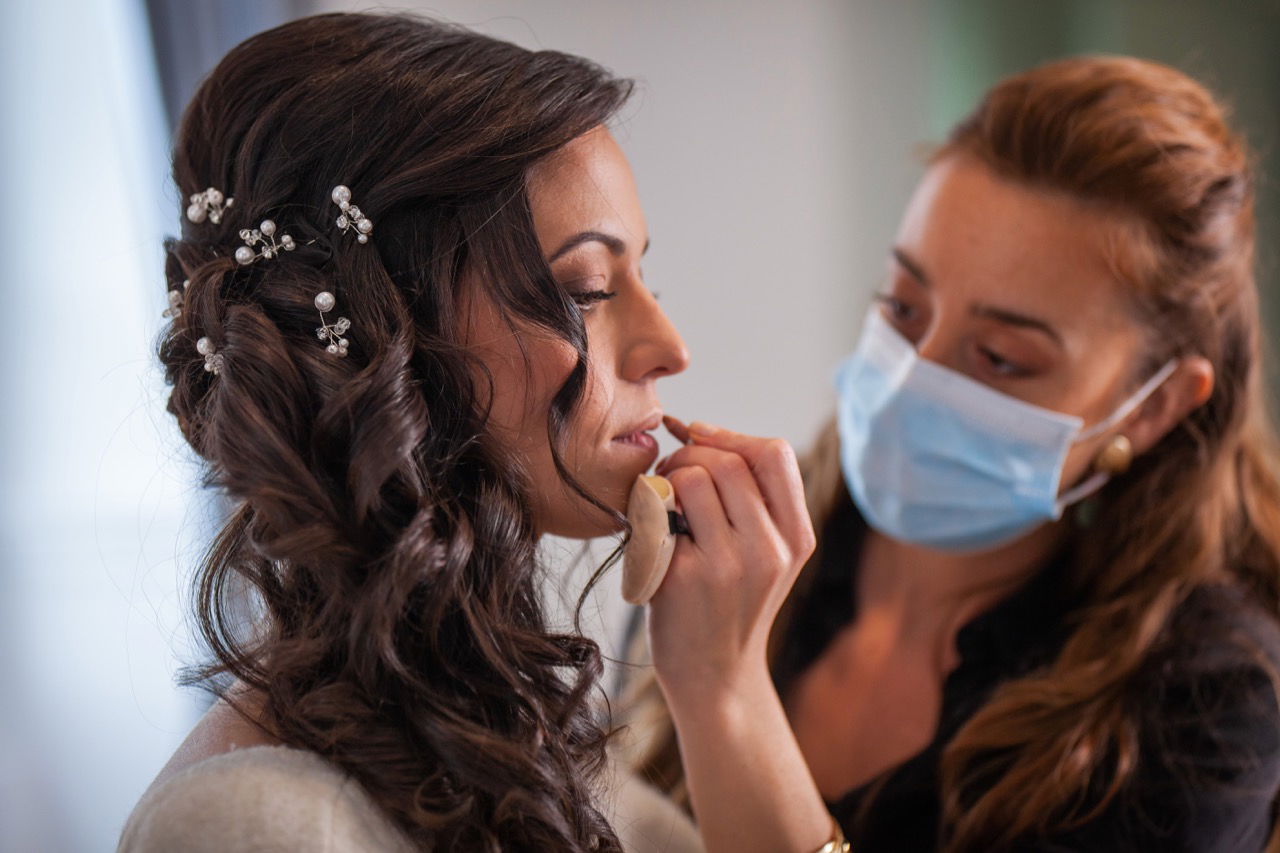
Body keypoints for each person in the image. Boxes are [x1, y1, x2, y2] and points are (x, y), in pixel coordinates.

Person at [623, 56, 1280, 851]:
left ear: (1154, 408)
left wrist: (725, 696)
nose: (910, 380)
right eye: (903, 307)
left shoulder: (1206, 705)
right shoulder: (736, 558)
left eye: (1000, 356)